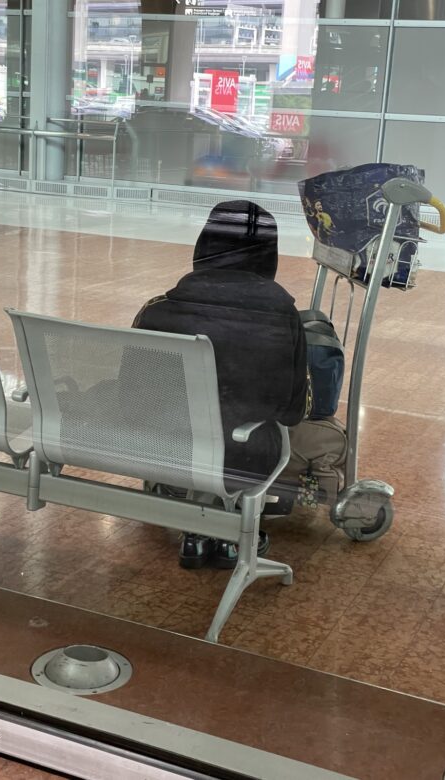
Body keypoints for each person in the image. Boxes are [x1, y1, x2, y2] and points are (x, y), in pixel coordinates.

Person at [133, 200, 309, 569]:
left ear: (204, 246)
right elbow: (292, 412)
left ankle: (196, 528)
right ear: (269, 256)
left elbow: (130, 395)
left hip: (164, 450)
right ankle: (229, 529)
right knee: (258, 432)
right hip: (242, 458)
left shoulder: (157, 309)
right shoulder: (283, 318)